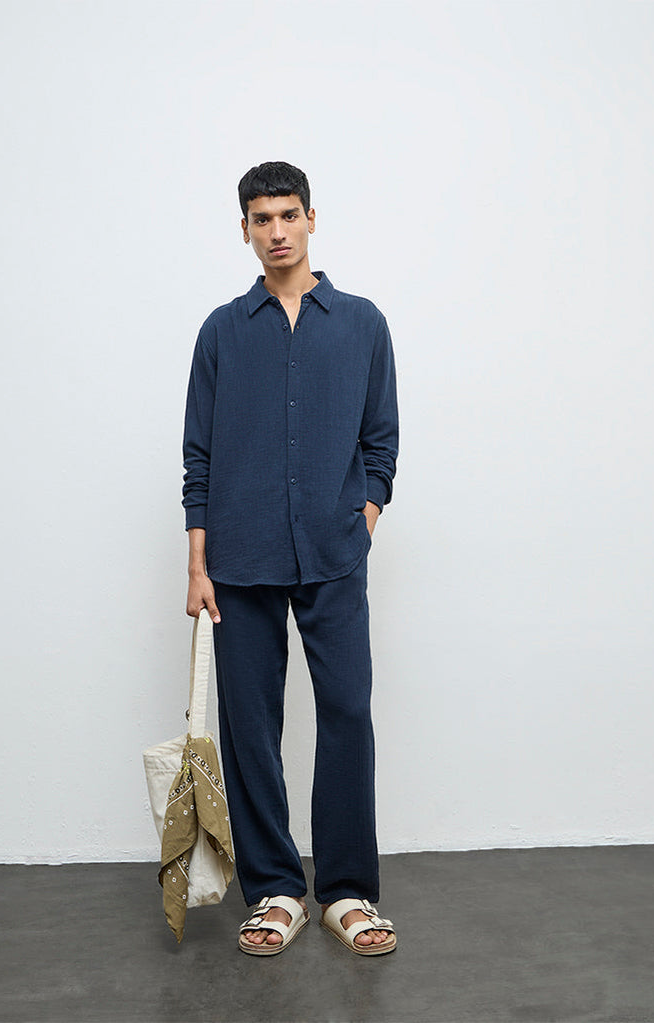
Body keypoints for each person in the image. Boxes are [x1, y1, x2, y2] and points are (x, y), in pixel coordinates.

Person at [182, 161, 399, 956]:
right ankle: (275, 888)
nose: (276, 231)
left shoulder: (362, 322)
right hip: (238, 558)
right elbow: (198, 456)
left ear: (311, 218)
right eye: (260, 218)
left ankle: (346, 891)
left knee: (345, 713)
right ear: (243, 229)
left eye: (287, 215)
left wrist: (363, 515)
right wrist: (198, 563)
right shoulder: (221, 330)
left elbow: (381, 441)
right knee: (250, 726)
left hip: (334, 553)